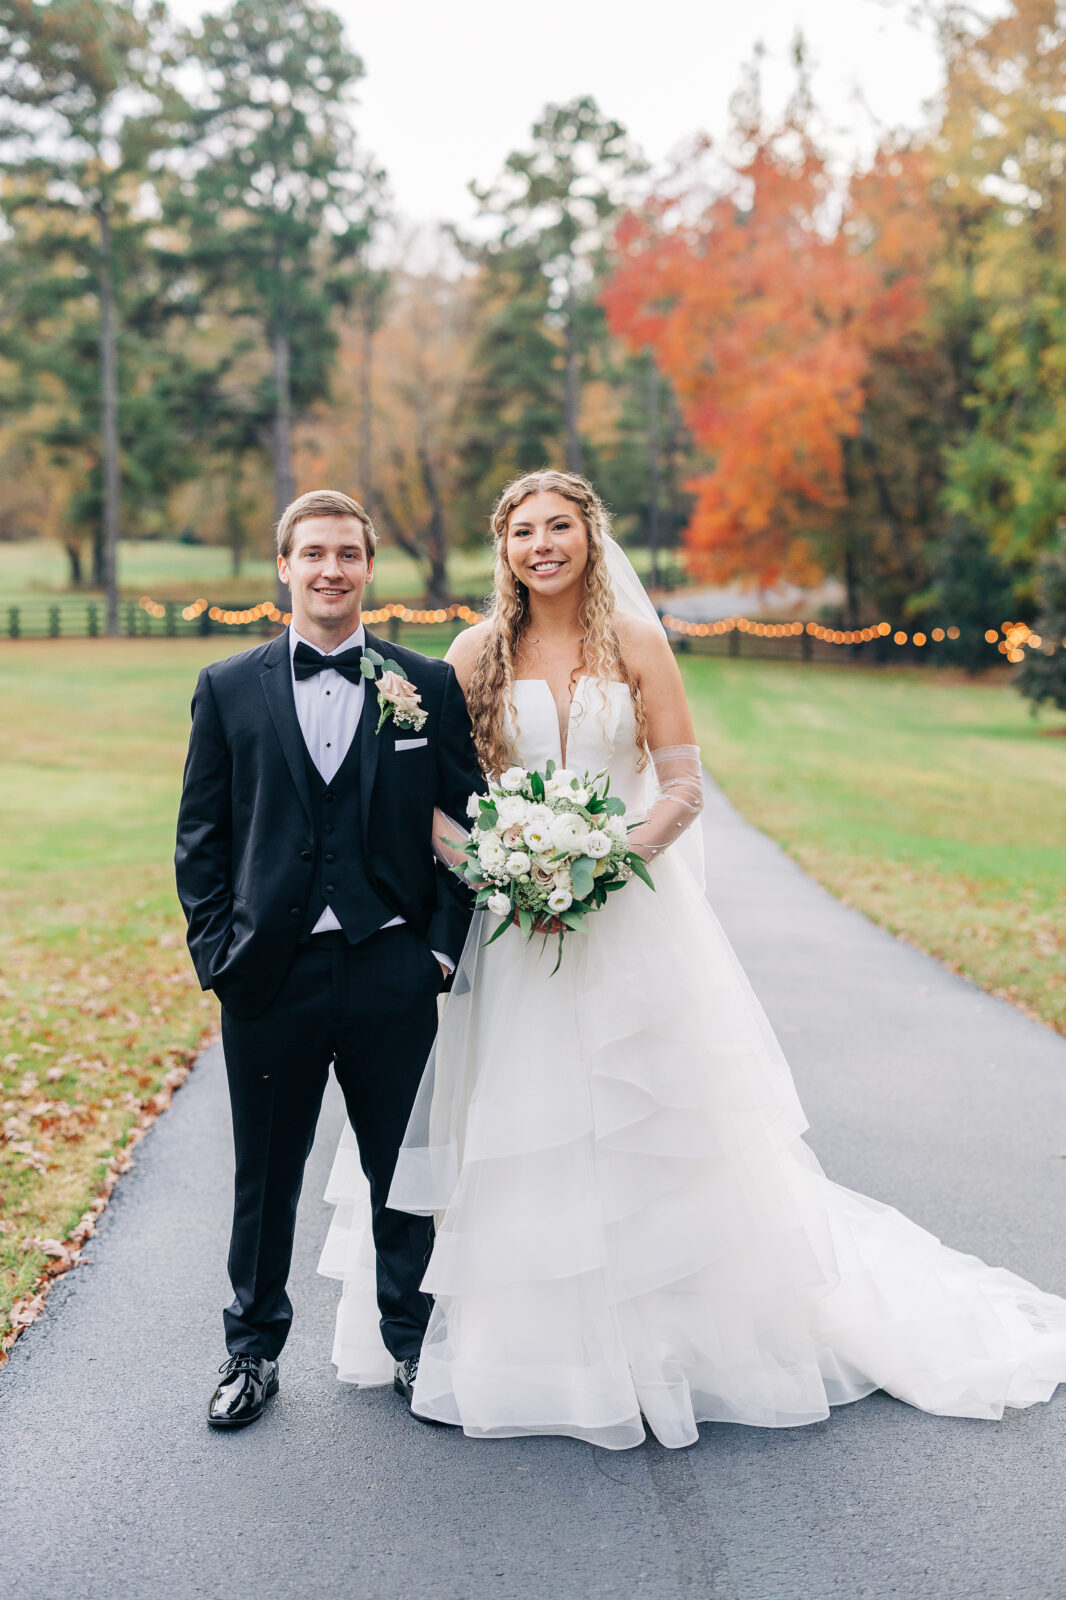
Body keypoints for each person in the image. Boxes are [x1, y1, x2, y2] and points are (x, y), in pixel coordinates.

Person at [320, 469, 1066, 1449]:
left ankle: (665, 1338)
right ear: (501, 549)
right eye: (523, 532)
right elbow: (418, 789)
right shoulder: (472, 652)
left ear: (590, 536)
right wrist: (499, 870)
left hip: (625, 915)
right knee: (516, 1115)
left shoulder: (631, 641)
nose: (542, 545)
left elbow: (680, 781)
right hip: (509, 925)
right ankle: (526, 1343)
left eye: (560, 527)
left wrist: (606, 859)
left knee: (649, 1120)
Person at [175, 489, 483, 1429]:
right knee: (266, 1172)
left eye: (348, 554)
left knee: (402, 1170)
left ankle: (409, 1343)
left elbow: (465, 821)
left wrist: (436, 949)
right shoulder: (228, 686)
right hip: (270, 974)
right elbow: (202, 836)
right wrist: (221, 954)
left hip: (393, 970)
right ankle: (251, 1352)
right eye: (313, 554)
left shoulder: (424, 684)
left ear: (368, 568)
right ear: (284, 566)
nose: (330, 570)